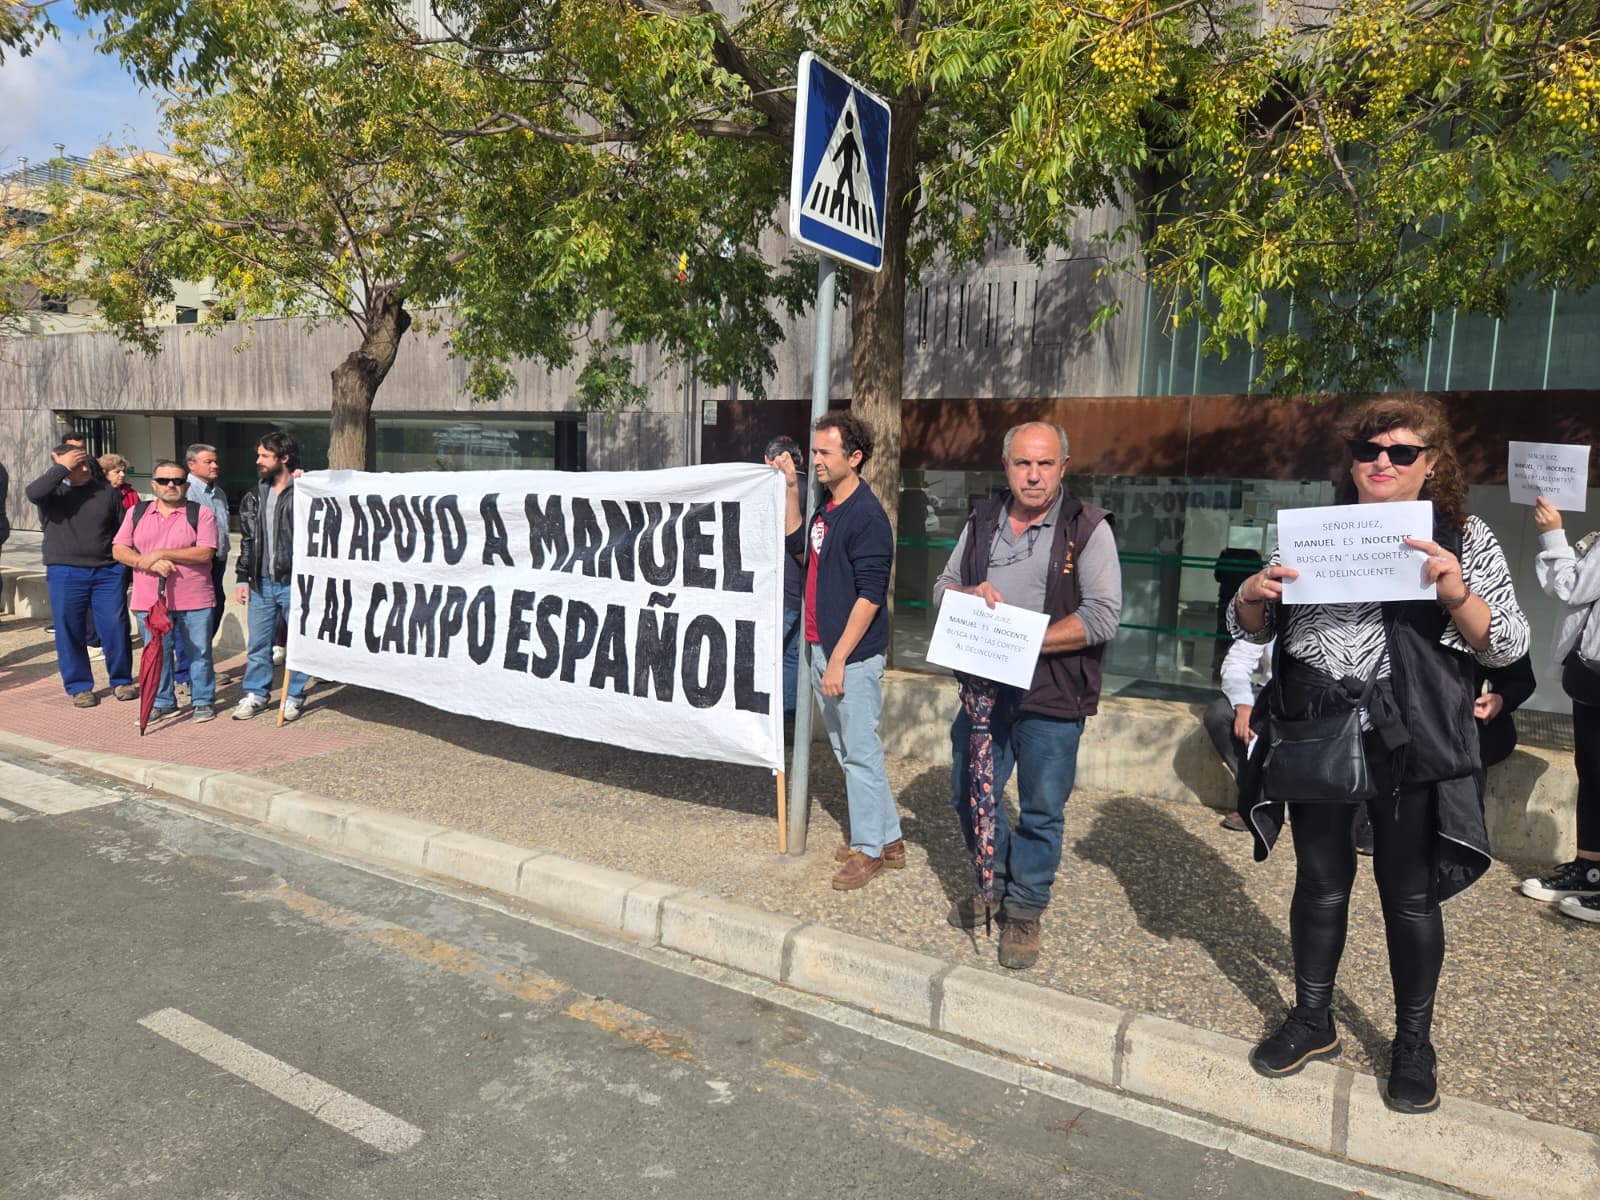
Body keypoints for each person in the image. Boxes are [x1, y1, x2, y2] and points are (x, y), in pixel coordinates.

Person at [1230, 395, 1529, 1115]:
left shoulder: (1465, 534)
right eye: (1369, 451)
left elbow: (1509, 645)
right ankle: (1312, 1018)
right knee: (1321, 882)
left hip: (1410, 738)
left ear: (1432, 462)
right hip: (1316, 729)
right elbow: (1252, 626)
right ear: (1352, 459)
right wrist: (1248, 594)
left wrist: (1454, 588)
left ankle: (1413, 1043)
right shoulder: (1313, 532)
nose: (1383, 463)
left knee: (1409, 896)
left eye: (1402, 452)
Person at [933, 421, 1123, 969]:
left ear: (1064, 467)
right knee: (970, 793)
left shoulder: (1088, 527)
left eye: (1044, 464)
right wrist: (967, 593)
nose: (1033, 475)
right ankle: (993, 880)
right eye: (1022, 463)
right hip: (983, 693)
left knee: (1042, 810)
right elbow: (943, 588)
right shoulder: (983, 518)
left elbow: (1102, 617)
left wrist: (1020, 641)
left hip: (1052, 696)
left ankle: (1024, 907)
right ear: (1006, 466)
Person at [780, 412, 900, 890]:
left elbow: (871, 596)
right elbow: (798, 547)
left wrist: (837, 660)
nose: (817, 461)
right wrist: (791, 486)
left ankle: (868, 850)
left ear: (855, 458)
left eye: (826, 453)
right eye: (815, 453)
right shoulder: (827, 508)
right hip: (823, 649)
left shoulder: (867, 517)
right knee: (850, 749)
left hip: (848, 658)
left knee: (859, 754)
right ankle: (889, 838)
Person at [1524, 498, 1600, 923]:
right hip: (1593, 671)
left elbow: (1572, 586)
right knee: (1591, 770)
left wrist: (1553, 532)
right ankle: (1590, 868)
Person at [24, 443, 139, 707]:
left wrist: (125, 567)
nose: (85, 469)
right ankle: (79, 686)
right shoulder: (52, 493)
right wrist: (62, 466)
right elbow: (33, 492)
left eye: (87, 463)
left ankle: (121, 681)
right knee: (69, 629)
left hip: (107, 571)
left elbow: (123, 531)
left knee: (115, 626)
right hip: (65, 571)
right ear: (62, 467)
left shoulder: (107, 493)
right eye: (77, 465)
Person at [112, 460, 221, 722]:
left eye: (177, 480)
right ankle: (163, 701)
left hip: (194, 598)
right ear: (154, 484)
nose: (170, 485)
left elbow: (205, 552)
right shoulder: (137, 512)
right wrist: (144, 561)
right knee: (156, 652)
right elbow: (119, 549)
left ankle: (203, 700)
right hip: (149, 599)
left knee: (199, 653)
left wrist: (161, 553)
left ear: (186, 484)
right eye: (163, 481)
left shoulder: (201, 513)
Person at [232, 431, 309, 721]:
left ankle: (294, 696)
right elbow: (248, 540)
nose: (258, 460)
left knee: (298, 644)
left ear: (284, 458)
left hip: (294, 582)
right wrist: (242, 577)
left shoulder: (305, 491)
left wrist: (310, 482)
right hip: (261, 583)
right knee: (258, 644)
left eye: (265, 455)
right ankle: (256, 694)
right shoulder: (254, 495)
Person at [173, 443, 231, 697]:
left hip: (217, 562)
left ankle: (201, 668)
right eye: (209, 461)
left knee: (213, 613)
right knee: (191, 620)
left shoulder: (218, 492)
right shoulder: (184, 492)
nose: (215, 465)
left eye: (216, 461)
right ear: (192, 465)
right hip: (195, 565)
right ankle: (185, 675)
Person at [1204, 636, 1274, 831]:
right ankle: (1255, 799)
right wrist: (1243, 705)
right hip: (1272, 690)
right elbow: (1237, 661)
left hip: (1330, 693)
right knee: (1219, 714)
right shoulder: (1274, 608)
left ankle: (1363, 822)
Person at [764, 434, 805, 720]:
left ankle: (770, 720)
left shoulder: (779, 491)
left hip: (779, 589)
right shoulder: (814, 489)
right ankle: (787, 719)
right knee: (790, 655)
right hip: (801, 590)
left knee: (767, 656)